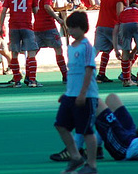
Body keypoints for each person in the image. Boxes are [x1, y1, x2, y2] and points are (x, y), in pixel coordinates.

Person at [54, 10, 99, 174]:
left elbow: (88, 71)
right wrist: (67, 92)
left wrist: (82, 93)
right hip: (70, 95)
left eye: (73, 28)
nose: (70, 31)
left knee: (86, 131)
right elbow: (73, 73)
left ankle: (92, 165)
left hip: (86, 97)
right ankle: (75, 156)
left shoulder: (87, 47)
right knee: (60, 125)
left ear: (82, 28)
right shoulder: (71, 47)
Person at [0, 0, 39, 87]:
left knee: (14, 53)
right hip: (27, 26)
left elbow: (3, 11)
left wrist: (0, 26)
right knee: (31, 52)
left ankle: (17, 80)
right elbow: (36, 11)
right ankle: (32, 80)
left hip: (13, 26)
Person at [33, 0, 68, 82]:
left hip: (37, 25)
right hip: (48, 25)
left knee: (33, 52)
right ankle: (65, 75)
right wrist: (57, 18)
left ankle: (30, 76)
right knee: (58, 49)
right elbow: (47, 6)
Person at [95, 0, 128, 83]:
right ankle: (126, 73)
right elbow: (119, 13)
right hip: (112, 26)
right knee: (125, 49)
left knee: (102, 50)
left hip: (101, 24)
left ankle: (99, 73)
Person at [113, 5, 138, 87]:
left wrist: (116, 49)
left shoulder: (123, 13)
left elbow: (115, 31)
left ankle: (126, 80)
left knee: (125, 51)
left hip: (125, 25)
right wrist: (134, 52)